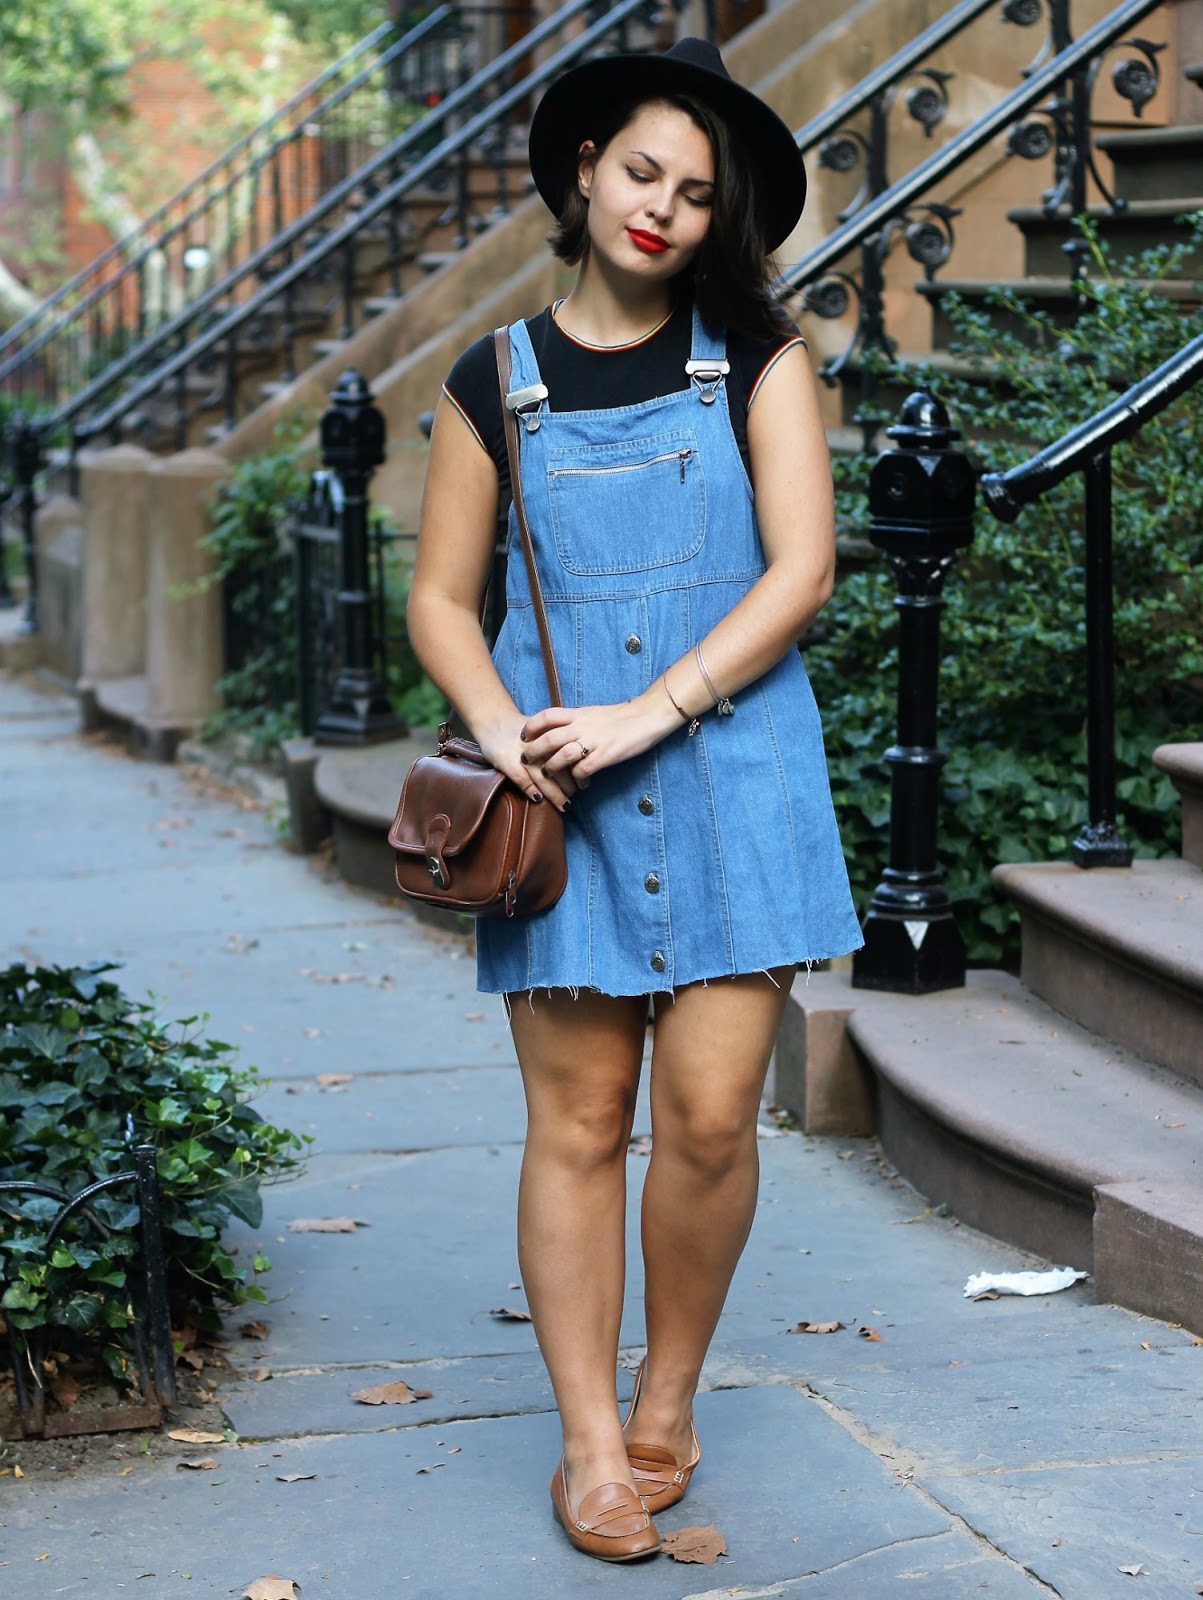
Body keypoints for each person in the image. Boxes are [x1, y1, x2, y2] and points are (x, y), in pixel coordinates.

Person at [406, 35, 862, 1562]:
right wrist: (504, 734)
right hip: (561, 801)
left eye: (696, 193)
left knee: (714, 1120)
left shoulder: (761, 360)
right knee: (583, 1119)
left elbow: (803, 570)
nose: (662, 208)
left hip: (734, 769)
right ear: (588, 170)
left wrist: (649, 712)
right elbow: (440, 598)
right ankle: (592, 1449)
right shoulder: (494, 380)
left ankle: (668, 1397)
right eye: (643, 173)